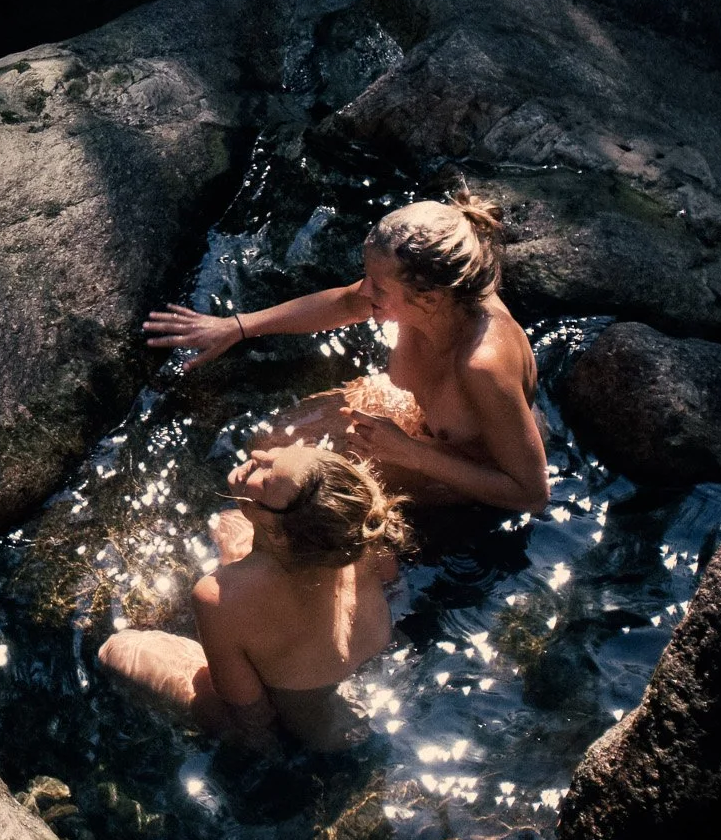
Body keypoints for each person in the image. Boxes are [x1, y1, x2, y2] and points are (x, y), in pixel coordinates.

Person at [144, 194, 552, 513]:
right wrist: (237, 327)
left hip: (471, 476)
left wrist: (412, 454)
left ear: (428, 298)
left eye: (378, 286)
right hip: (420, 431)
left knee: (291, 501)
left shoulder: (482, 365)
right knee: (269, 443)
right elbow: (343, 304)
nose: (364, 290)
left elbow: (532, 494)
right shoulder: (435, 298)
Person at [97, 442, 408, 751]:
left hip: (314, 735)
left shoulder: (217, 597)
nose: (260, 456)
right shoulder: (361, 532)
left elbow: (250, 712)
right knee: (229, 523)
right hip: (381, 684)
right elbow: (392, 588)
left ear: (280, 534)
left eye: (269, 478)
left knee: (117, 649)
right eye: (280, 454)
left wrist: (267, 751)